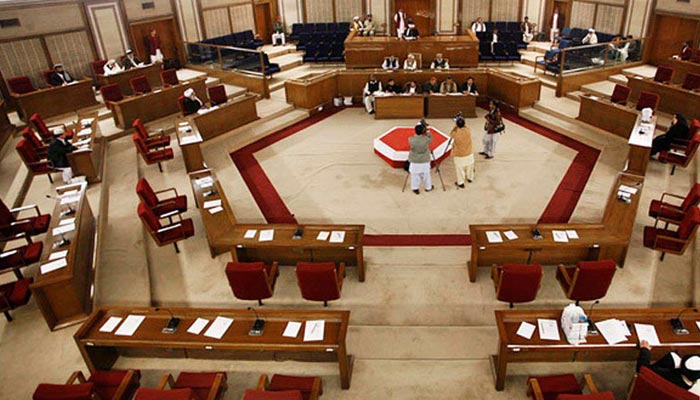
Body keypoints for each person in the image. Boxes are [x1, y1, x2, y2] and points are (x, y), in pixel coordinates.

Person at [408, 122, 433, 194]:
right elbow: (430, 138)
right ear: (423, 131)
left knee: (414, 176)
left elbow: (415, 137)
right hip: (424, 160)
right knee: (426, 175)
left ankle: (415, 188)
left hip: (415, 161)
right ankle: (428, 187)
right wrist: (427, 131)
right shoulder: (426, 140)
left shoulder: (411, 140)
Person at [450, 116, 474, 187]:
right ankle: (470, 178)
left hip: (459, 155)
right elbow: (465, 125)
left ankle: (460, 183)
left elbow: (451, 133)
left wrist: (455, 126)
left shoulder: (455, 134)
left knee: (459, 170)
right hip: (469, 153)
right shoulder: (468, 130)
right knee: (470, 167)